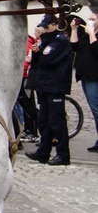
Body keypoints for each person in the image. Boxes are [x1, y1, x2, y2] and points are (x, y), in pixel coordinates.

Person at [25, 14, 73, 166]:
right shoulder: (48, 41)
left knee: (57, 122)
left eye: (47, 27)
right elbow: (38, 61)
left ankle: (63, 155)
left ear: (54, 25)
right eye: (43, 27)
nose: (44, 30)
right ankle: (43, 152)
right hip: (44, 86)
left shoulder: (60, 41)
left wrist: (40, 48)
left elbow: (48, 60)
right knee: (44, 121)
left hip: (55, 86)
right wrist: (38, 50)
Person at [70, 13, 98, 153]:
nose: (90, 22)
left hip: (95, 77)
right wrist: (74, 30)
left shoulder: (92, 35)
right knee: (95, 110)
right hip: (85, 76)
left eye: (93, 19)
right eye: (90, 19)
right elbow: (74, 47)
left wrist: (92, 33)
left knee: (96, 109)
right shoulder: (86, 36)